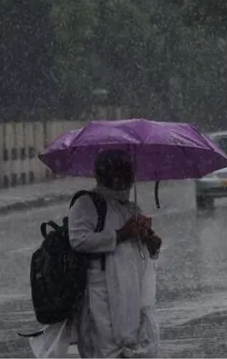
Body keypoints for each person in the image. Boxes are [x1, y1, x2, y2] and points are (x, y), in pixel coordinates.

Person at [68, 149, 162, 358]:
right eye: (119, 172)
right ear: (104, 175)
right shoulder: (86, 204)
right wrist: (121, 234)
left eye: (128, 172)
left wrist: (148, 236)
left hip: (132, 291)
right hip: (101, 292)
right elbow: (78, 240)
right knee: (105, 348)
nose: (126, 179)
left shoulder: (129, 207)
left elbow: (154, 247)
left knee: (134, 346)